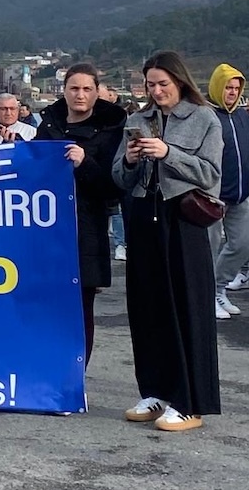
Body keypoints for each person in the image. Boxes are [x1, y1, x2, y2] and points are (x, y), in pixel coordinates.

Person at [113, 51, 222, 432]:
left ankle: (191, 401)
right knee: (148, 308)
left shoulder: (205, 118)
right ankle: (155, 389)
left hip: (184, 219)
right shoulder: (137, 119)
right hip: (145, 216)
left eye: (163, 83)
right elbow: (118, 178)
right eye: (150, 84)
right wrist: (129, 160)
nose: (157, 90)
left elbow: (211, 175)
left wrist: (168, 153)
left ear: (179, 80)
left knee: (188, 307)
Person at [35, 64, 126, 369]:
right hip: (47, 232)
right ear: (64, 90)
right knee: (46, 305)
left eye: (87, 89)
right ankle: (46, 369)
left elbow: (112, 188)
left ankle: (75, 376)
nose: (80, 95)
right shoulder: (48, 127)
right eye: (74, 88)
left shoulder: (111, 132)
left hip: (86, 232)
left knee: (81, 308)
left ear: (97, 91)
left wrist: (85, 162)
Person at [206, 63, 249, 319]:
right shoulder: (207, 115)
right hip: (213, 195)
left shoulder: (242, 116)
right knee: (209, 248)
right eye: (228, 87)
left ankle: (219, 288)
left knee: (242, 244)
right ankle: (208, 295)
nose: (232, 92)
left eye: (236, 87)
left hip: (242, 195)